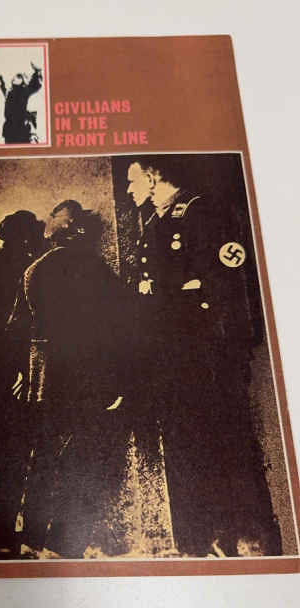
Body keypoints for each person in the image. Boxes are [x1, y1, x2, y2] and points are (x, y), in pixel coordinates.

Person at [126, 158, 282, 556]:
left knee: (223, 439)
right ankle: (203, 539)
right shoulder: (154, 223)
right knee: (186, 441)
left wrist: (183, 305)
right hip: (171, 355)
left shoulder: (201, 213)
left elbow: (223, 281)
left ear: (153, 176)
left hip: (207, 353)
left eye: (134, 180)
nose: (129, 189)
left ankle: (244, 536)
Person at [10, 200, 129, 558]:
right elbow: (117, 328)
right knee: (80, 457)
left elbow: (18, 329)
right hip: (84, 377)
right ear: (79, 231)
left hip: (44, 379)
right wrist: (116, 380)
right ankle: (63, 543)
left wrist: (26, 373)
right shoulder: (95, 269)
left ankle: (31, 535)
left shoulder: (33, 270)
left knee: (44, 454)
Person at [0, 210, 45, 559]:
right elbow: (13, 328)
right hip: (9, 375)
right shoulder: (18, 267)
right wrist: (19, 370)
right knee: (9, 455)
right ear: (25, 237)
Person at [0, 63, 43, 143]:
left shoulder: (13, 93)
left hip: (12, 130)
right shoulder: (21, 92)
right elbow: (35, 86)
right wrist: (37, 72)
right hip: (17, 130)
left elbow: (35, 85)